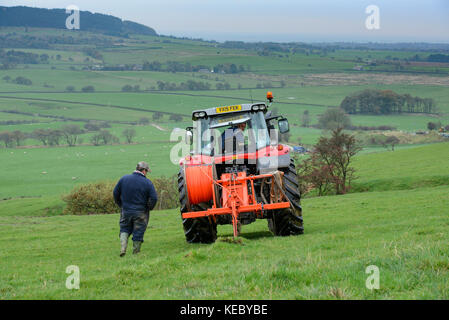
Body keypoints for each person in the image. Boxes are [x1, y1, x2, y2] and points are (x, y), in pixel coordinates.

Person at [113, 161, 158, 257]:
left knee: (124, 228)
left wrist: (121, 205)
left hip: (126, 211)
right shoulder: (147, 182)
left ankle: (123, 248)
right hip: (141, 212)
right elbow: (154, 198)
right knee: (138, 231)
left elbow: (115, 193)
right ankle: (135, 254)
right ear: (144, 171)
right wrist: (149, 207)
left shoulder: (124, 179)